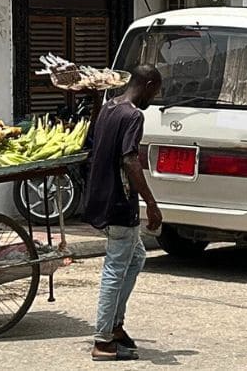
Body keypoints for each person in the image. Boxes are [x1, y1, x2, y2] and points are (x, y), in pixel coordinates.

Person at [83, 65, 164, 362]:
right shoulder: (133, 115)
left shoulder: (109, 108)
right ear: (149, 84)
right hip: (119, 202)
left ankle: (115, 325)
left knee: (136, 256)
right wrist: (151, 204)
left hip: (102, 198)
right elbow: (130, 160)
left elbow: (92, 139)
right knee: (114, 270)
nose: (154, 98)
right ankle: (103, 340)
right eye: (156, 92)